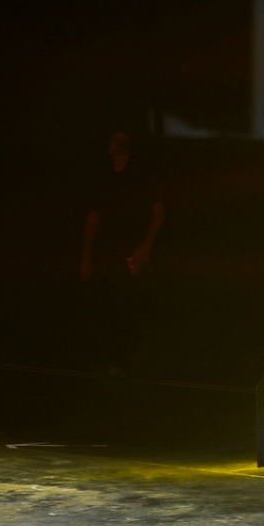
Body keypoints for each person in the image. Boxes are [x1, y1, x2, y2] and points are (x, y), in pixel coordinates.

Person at [80, 131, 163, 372]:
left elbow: (159, 211)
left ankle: (136, 364)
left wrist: (145, 247)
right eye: (115, 139)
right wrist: (86, 255)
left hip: (134, 252)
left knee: (135, 308)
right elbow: (93, 219)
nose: (120, 143)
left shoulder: (141, 177)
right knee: (111, 309)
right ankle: (115, 363)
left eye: (123, 139)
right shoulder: (104, 181)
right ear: (109, 148)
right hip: (109, 254)